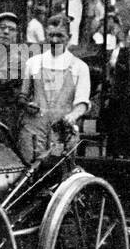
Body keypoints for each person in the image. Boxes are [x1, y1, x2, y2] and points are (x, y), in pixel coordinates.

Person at [17, 13, 91, 162]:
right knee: (28, 171)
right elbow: (22, 96)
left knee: (59, 171)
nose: (55, 40)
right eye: (51, 35)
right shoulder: (33, 62)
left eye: (60, 36)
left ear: (69, 37)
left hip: (61, 130)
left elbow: (82, 102)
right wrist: (27, 104)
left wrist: (72, 117)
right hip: (33, 129)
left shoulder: (79, 67)